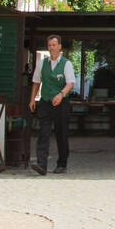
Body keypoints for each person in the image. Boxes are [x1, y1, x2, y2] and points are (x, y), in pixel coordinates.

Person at [30, 35, 75, 174]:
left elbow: (70, 83)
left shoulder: (66, 63)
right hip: (45, 101)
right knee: (43, 132)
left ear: (59, 46)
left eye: (54, 45)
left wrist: (61, 94)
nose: (51, 48)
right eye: (49, 45)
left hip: (61, 103)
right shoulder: (42, 63)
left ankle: (62, 164)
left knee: (61, 133)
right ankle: (41, 164)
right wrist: (32, 99)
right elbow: (36, 82)